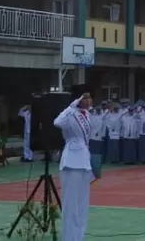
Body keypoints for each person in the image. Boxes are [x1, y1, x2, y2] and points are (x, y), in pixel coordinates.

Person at [54, 85, 94, 241]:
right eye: (85, 97)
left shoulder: (87, 115)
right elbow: (57, 122)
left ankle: (78, 237)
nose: (89, 100)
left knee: (82, 204)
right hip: (71, 162)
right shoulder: (70, 114)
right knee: (70, 205)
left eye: (89, 97)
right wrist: (71, 107)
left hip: (84, 161)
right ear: (77, 99)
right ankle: (69, 238)